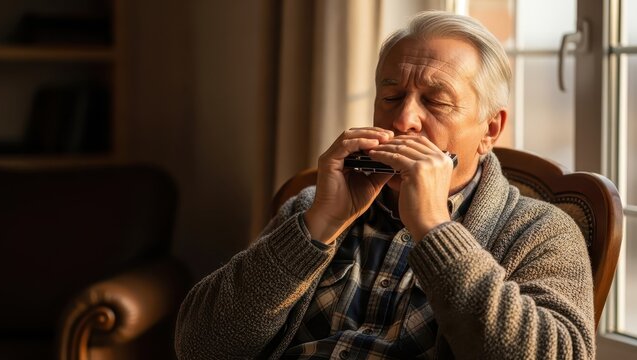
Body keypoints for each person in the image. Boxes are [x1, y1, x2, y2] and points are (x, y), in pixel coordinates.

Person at [175, 11, 595, 359]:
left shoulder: (542, 232)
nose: (403, 120)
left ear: (490, 128)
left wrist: (436, 230)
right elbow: (198, 347)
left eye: (435, 101)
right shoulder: (312, 207)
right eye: (391, 97)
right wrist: (317, 225)